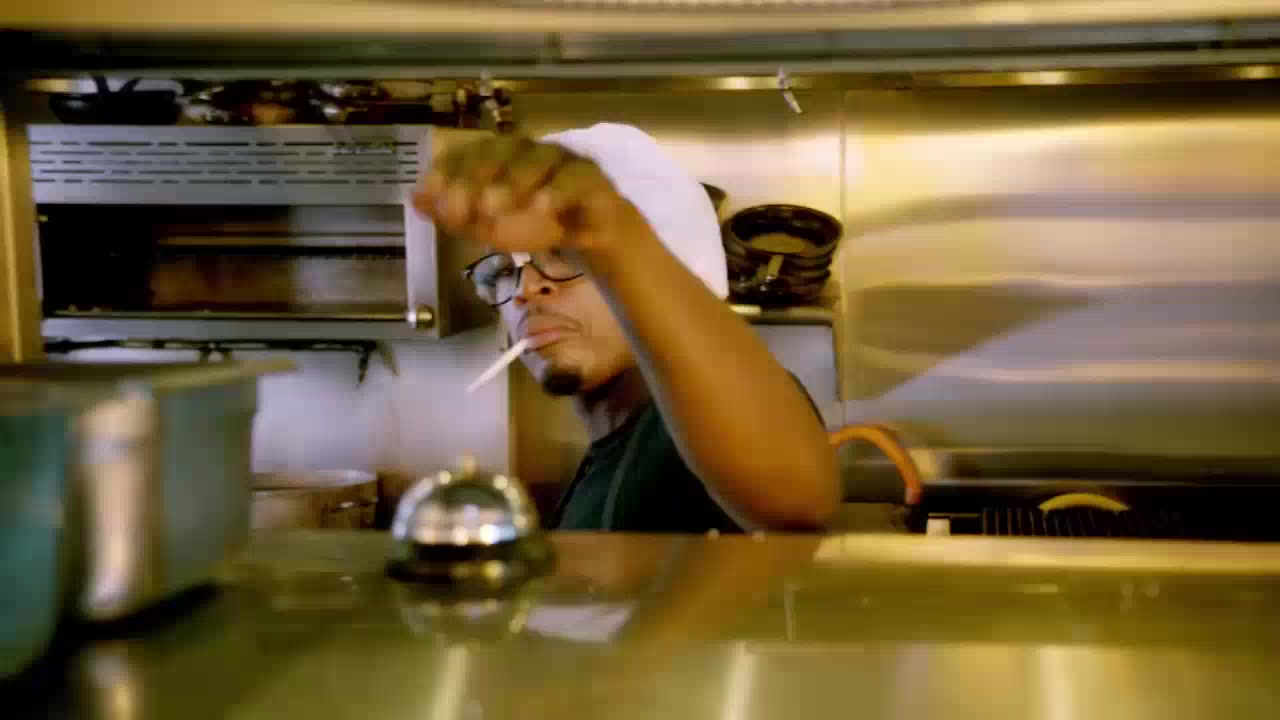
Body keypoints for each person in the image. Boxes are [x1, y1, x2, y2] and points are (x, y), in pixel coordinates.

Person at [413, 123, 839, 533]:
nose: (525, 289)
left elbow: (795, 503)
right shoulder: (612, 448)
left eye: (568, 256)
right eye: (506, 269)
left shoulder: (694, 432)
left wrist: (614, 235)